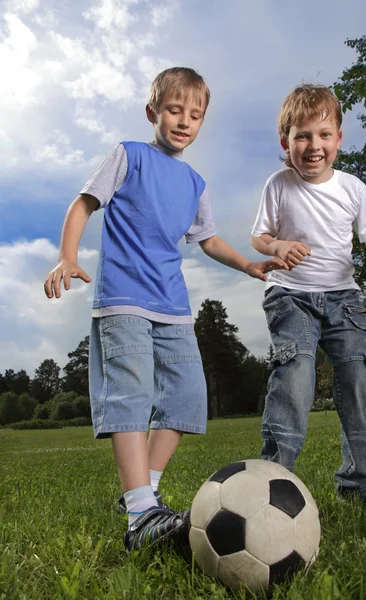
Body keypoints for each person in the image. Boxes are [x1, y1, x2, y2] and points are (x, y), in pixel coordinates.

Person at [44, 67, 287, 552]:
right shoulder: (129, 155)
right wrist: (67, 257)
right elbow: (83, 203)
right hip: (122, 299)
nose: (184, 121)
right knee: (130, 396)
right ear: (153, 112)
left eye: (194, 115)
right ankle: (140, 516)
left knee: (187, 397)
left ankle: (144, 491)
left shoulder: (195, 182)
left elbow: (209, 240)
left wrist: (247, 265)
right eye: (175, 111)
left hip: (173, 306)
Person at [251, 84, 366, 502]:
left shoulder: (353, 187)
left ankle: (359, 486)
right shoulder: (278, 185)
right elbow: (260, 236)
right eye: (302, 136)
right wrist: (278, 246)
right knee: (295, 378)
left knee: (359, 382)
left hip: (343, 299)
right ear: (286, 142)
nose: (314, 146)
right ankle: (272, 484)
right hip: (291, 296)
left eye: (324, 135)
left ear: (338, 138)